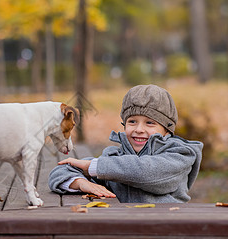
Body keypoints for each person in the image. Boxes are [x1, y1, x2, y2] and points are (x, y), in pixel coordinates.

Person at [48, 84, 203, 203]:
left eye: (149, 123)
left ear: (167, 130)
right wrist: (80, 182)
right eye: (132, 121)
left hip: (167, 232)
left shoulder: (180, 154)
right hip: (122, 232)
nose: (139, 129)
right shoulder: (114, 156)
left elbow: (146, 172)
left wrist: (94, 167)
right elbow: (60, 171)